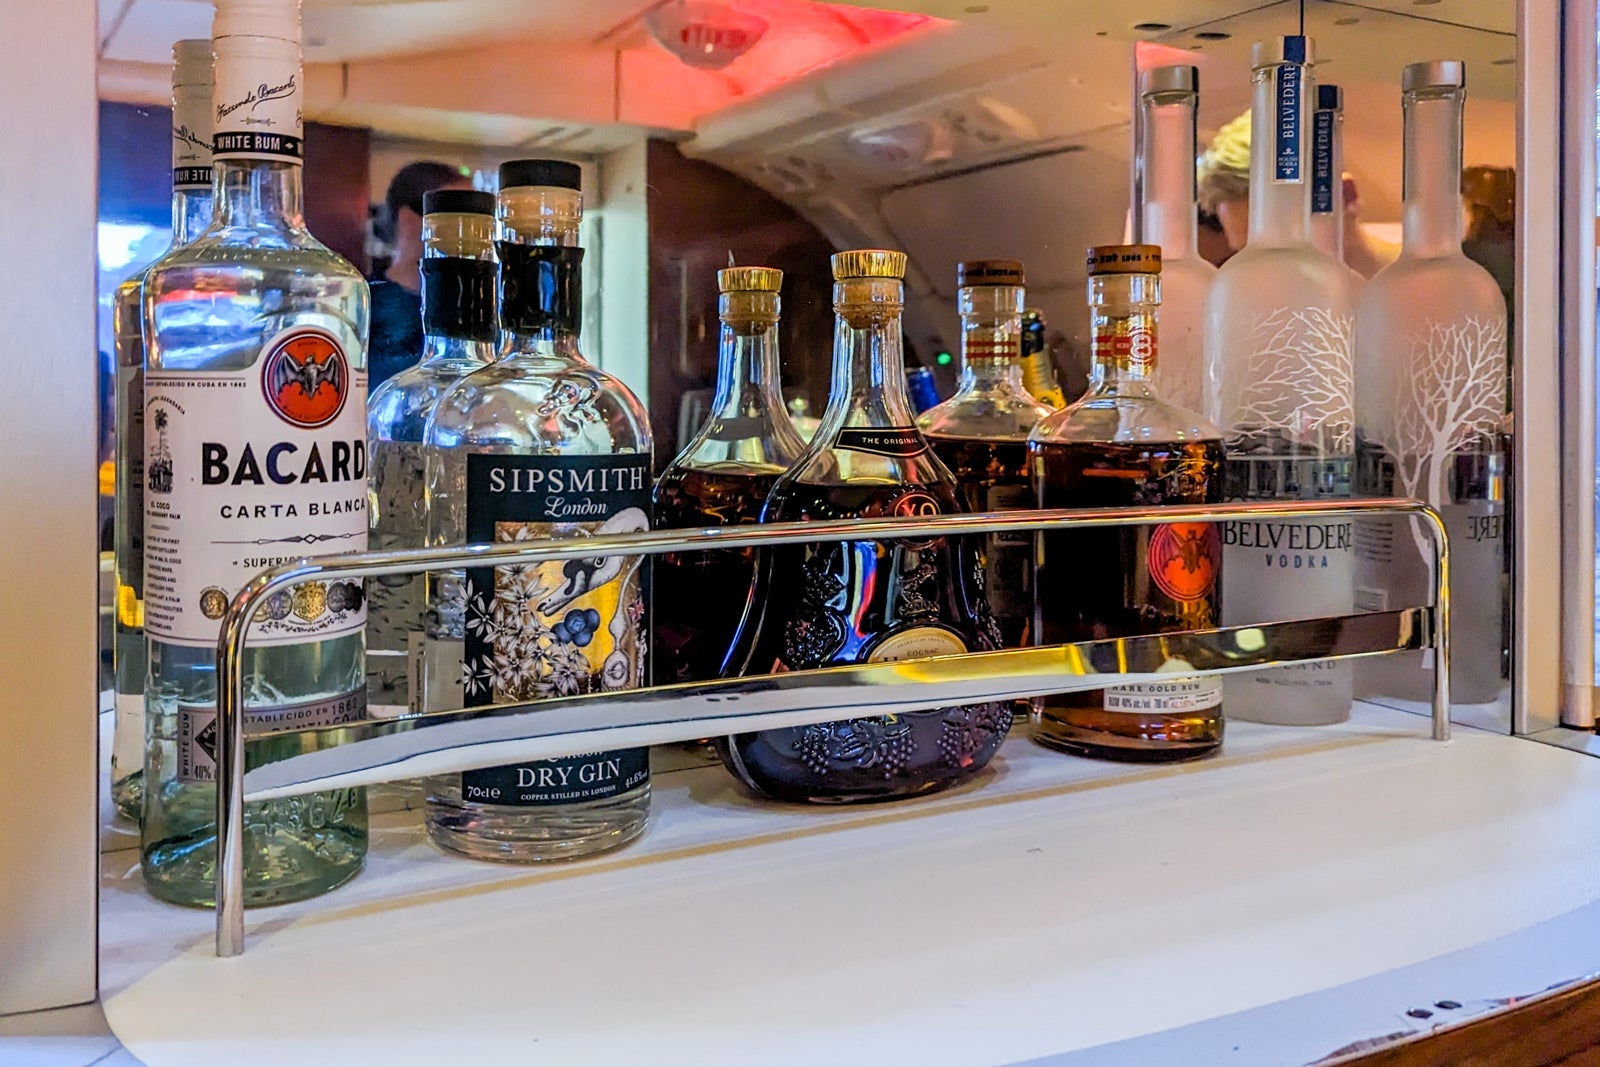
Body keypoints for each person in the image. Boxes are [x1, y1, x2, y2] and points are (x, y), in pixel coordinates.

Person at [1197, 109, 1397, 277]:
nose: (1268, 273)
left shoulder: (1413, 292)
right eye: (1245, 254)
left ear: (1345, 196)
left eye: (1286, 249)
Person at [367, 161, 473, 387]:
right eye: (456, 213)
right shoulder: (366, 301)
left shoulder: (475, 307)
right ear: (408, 217)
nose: (471, 228)